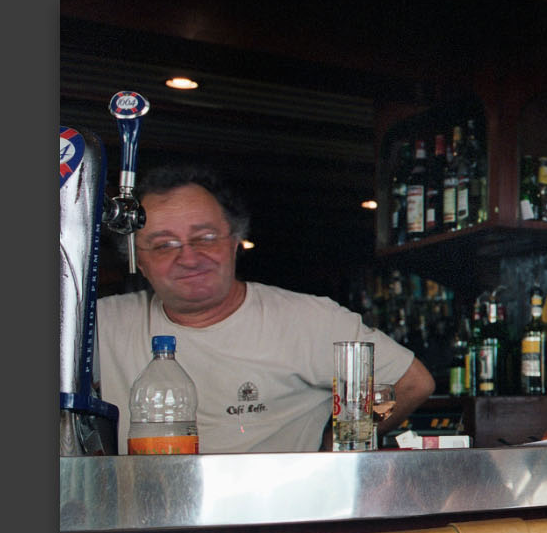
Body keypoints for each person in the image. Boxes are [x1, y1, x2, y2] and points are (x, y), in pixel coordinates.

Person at [96, 164, 434, 452]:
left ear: (234, 242)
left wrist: (336, 449)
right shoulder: (100, 324)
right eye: (163, 245)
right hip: (147, 521)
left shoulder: (308, 319)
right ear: (138, 260)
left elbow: (411, 382)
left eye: (205, 238)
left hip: (273, 524)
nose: (188, 257)